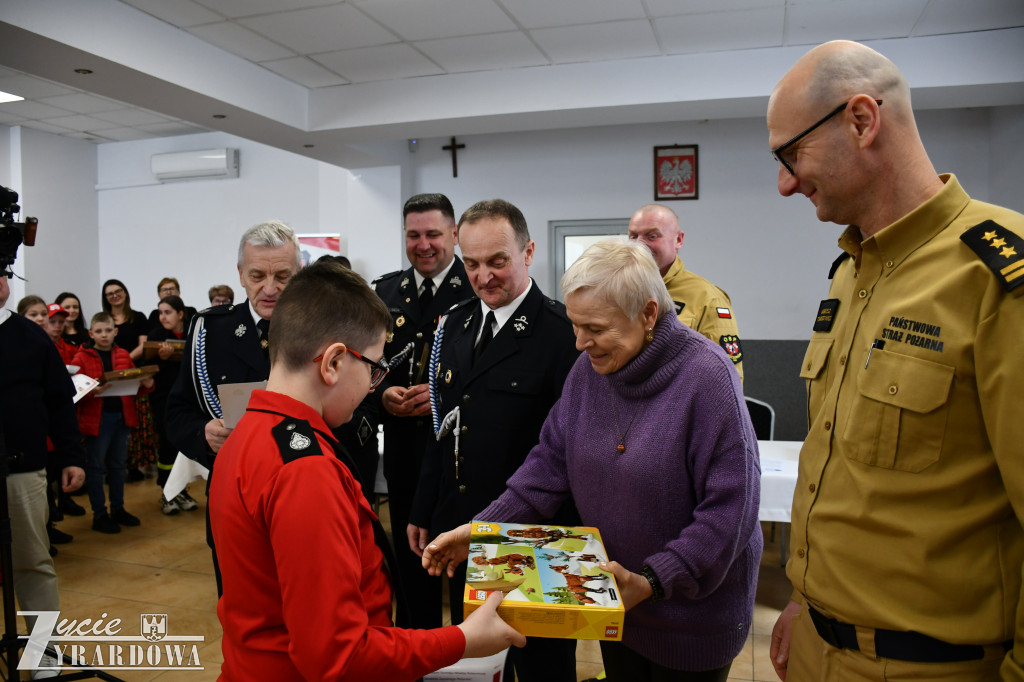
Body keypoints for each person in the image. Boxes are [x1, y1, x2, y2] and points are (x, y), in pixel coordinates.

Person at [765, 41, 1024, 682]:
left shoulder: (996, 277)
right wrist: (806, 601)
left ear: (861, 120)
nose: (785, 183)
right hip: (815, 647)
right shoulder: (848, 273)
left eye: (790, 154)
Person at [424, 240, 762, 682]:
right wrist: (483, 529)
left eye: (596, 329)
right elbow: (549, 464)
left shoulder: (707, 378)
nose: (581, 343)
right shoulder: (590, 371)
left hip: (688, 618)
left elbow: (730, 514)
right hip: (616, 600)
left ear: (647, 315)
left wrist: (654, 580)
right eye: (575, 326)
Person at [209, 258, 525, 680]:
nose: (373, 385)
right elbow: (338, 656)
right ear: (334, 362)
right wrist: (463, 639)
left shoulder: (251, 430)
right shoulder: (304, 472)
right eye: (374, 368)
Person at [410, 198, 581, 681]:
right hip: (467, 530)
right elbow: (442, 428)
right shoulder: (457, 325)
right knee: (479, 663)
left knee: (542, 665)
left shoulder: (562, 334)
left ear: (528, 253)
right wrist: (426, 507)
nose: (484, 276)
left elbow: (569, 453)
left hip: (536, 538)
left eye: (497, 261)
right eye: (472, 263)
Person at [166, 219, 301, 594]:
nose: (269, 289)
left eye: (283, 276)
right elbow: (177, 413)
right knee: (241, 613)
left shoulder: (322, 327)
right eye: (257, 275)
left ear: (300, 273)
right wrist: (202, 434)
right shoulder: (209, 331)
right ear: (240, 274)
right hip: (235, 497)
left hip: (304, 496)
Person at [371, 193, 472, 629]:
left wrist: (443, 398)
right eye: (414, 235)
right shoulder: (384, 291)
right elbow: (365, 366)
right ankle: (416, 661)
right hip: (405, 456)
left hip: (461, 461)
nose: (423, 244)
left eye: (433, 234)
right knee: (413, 570)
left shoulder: (478, 285)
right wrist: (383, 396)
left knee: (465, 575)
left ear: (453, 234)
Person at [0, 274, 87, 675]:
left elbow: (59, 402)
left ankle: (43, 654)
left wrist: (71, 455)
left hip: (21, 470)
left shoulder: (30, 339)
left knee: (32, 562)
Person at [628, 204, 744, 381]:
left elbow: (726, 376)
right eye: (633, 236)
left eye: (652, 236)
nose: (639, 244)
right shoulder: (619, 290)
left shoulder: (708, 298)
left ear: (678, 240)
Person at [72, 312, 154, 534]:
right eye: (98, 331)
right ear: (91, 333)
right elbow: (74, 390)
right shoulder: (82, 357)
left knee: (119, 467)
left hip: (121, 417)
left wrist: (146, 384)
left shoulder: (123, 355)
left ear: (115, 331)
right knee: (96, 468)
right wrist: (91, 390)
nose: (104, 335)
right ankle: (100, 514)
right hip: (97, 421)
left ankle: (118, 509)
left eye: (108, 330)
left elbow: (135, 389)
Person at [146, 294, 197, 515]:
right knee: (167, 448)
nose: (163, 317)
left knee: (182, 449)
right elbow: (148, 367)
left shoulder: (192, 333)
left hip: (187, 401)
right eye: (160, 313)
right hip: (163, 401)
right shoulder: (157, 335)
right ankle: (167, 493)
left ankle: (181, 491)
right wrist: (161, 358)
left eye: (167, 312)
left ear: (180, 314)